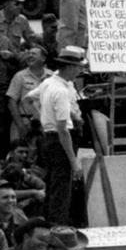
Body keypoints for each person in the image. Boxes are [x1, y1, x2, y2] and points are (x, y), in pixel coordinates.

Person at [40, 45, 87, 226]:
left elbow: (29, 98)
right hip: (61, 142)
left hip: (49, 138)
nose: (80, 70)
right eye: (78, 67)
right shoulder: (60, 90)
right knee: (61, 190)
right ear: (70, 67)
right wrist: (74, 162)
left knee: (53, 187)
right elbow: (63, 130)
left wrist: (43, 119)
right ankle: (58, 228)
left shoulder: (48, 83)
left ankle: (50, 225)